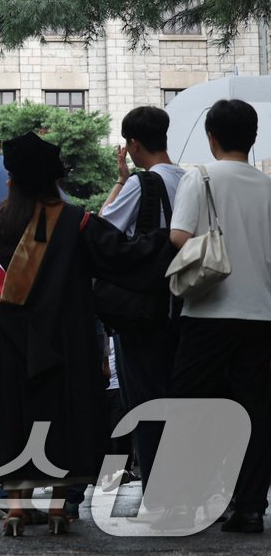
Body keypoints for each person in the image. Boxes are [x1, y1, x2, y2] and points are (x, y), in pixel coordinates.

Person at [0, 131, 161, 537]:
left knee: (14, 417)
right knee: (61, 419)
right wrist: (168, 243)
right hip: (67, 344)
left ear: (12, 180)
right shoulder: (76, 221)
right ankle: (56, 506)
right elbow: (121, 259)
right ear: (53, 178)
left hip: (9, 348)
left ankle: (15, 507)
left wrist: (7, 332)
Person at [168, 98, 271, 534]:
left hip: (209, 312)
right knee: (257, 412)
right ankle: (249, 506)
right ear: (252, 138)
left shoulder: (201, 177)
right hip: (262, 315)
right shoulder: (268, 186)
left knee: (193, 408)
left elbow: (178, 236)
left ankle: (188, 503)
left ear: (211, 138)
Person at [99, 105, 185, 483]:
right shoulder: (193, 180)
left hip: (143, 309)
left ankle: (157, 487)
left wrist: (120, 182)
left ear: (134, 143)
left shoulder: (141, 183)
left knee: (146, 403)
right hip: (188, 307)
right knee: (182, 400)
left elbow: (103, 231)